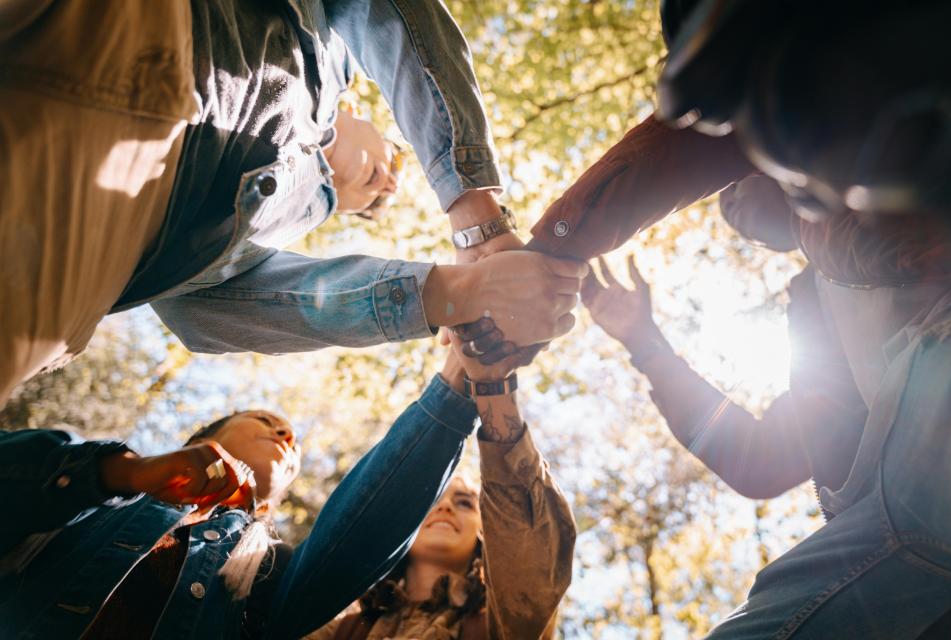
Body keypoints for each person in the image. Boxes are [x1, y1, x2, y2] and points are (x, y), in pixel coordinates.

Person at [0, 0, 586, 406]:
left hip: (68, 259)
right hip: (145, 31)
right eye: (396, 163)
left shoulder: (263, 238)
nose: (385, 186)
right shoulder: (333, 55)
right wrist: (477, 219)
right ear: (366, 115)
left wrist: (461, 294)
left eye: (366, 204)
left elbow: (198, 315)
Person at [582, 174, 951, 638]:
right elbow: (760, 459)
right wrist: (646, 343)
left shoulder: (870, 171)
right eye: (725, 205)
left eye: (733, 183)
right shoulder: (814, 310)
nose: (729, 204)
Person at [0, 351, 480, 640]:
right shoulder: (95, 487)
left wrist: (457, 385)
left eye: (292, 444)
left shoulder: (271, 571)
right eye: (266, 422)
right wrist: (123, 473)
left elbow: (358, 537)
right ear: (199, 439)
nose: (285, 435)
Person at [308, 327, 576, 640]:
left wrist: (493, 387)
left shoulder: (501, 626)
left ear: (483, 534)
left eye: (464, 502)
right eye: (431, 501)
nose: (445, 506)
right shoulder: (337, 630)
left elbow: (534, 548)